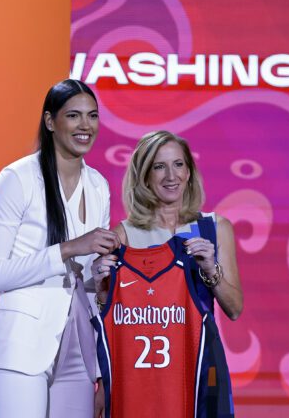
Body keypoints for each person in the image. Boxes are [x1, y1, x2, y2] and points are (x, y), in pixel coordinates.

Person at [0, 79, 119, 418]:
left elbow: (84, 286)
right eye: (74, 116)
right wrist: (67, 249)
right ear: (50, 121)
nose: (86, 126)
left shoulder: (97, 186)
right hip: (19, 349)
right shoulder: (17, 178)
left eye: (93, 116)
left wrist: (100, 281)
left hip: (77, 352)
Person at [91, 130, 242, 417]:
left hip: (199, 368)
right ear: (144, 176)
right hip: (139, 378)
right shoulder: (123, 236)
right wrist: (102, 382)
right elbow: (106, 314)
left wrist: (211, 270)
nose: (170, 176)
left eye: (178, 164)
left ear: (189, 171)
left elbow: (234, 309)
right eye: (159, 167)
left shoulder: (213, 228)